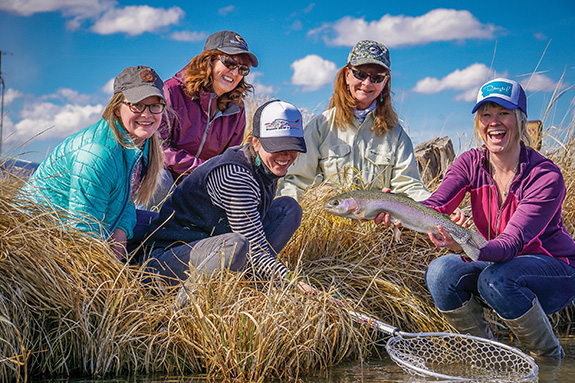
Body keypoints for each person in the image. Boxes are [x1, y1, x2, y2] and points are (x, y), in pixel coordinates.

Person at [421, 78, 575, 359]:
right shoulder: (470, 162)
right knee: (440, 272)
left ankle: (550, 359)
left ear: (519, 119)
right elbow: (436, 204)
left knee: (496, 279)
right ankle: (490, 356)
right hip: (496, 264)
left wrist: (465, 244)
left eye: (503, 113)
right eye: (486, 114)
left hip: (555, 273)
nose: (494, 122)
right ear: (478, 122)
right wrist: (391, 208)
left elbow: (510, 244)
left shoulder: (545, 176)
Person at [141, 100, 315, 294]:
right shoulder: (235, 176)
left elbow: (254, 237)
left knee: (288, 208)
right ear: (255, 142)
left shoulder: (266, 167)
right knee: (237, 245)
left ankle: (253, 284)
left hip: (211, 247)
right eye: (276, 146)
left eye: (292, 147)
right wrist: (294, 283)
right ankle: (181, 311)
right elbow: (254, 248)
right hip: (166, 259)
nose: (286, 156)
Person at [20, 66, 167, 261]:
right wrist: (108, 277)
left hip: (98, 223)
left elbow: (125, 205)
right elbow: (82, 231)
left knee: (166, 227)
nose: (147, 114)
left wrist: (118, 256)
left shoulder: (141, 144)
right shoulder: (98, 153)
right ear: (116, 108)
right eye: (137, 105)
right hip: (38, 236)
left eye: (154, 106)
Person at [277, 40, 429, 202]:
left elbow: (409, 187)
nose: (367, 83)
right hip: (327, 223)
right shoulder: (319, 127)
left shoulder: (396, 134)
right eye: (360, 74)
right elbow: (297, 183)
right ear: (347, 75)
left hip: (378, 226)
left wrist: (441, 208)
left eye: (377, 78)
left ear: (385, 82)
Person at [152, 30, 257, 204]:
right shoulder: (171, 92)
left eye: (243, 69)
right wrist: (201, 168)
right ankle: (148, 228)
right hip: (167, 182)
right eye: (230, 62)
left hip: (204, 186)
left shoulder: (237, 110)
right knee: (159, 180)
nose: (235, 72)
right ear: (208, 60)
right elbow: (157, 149)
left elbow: (229, 160)